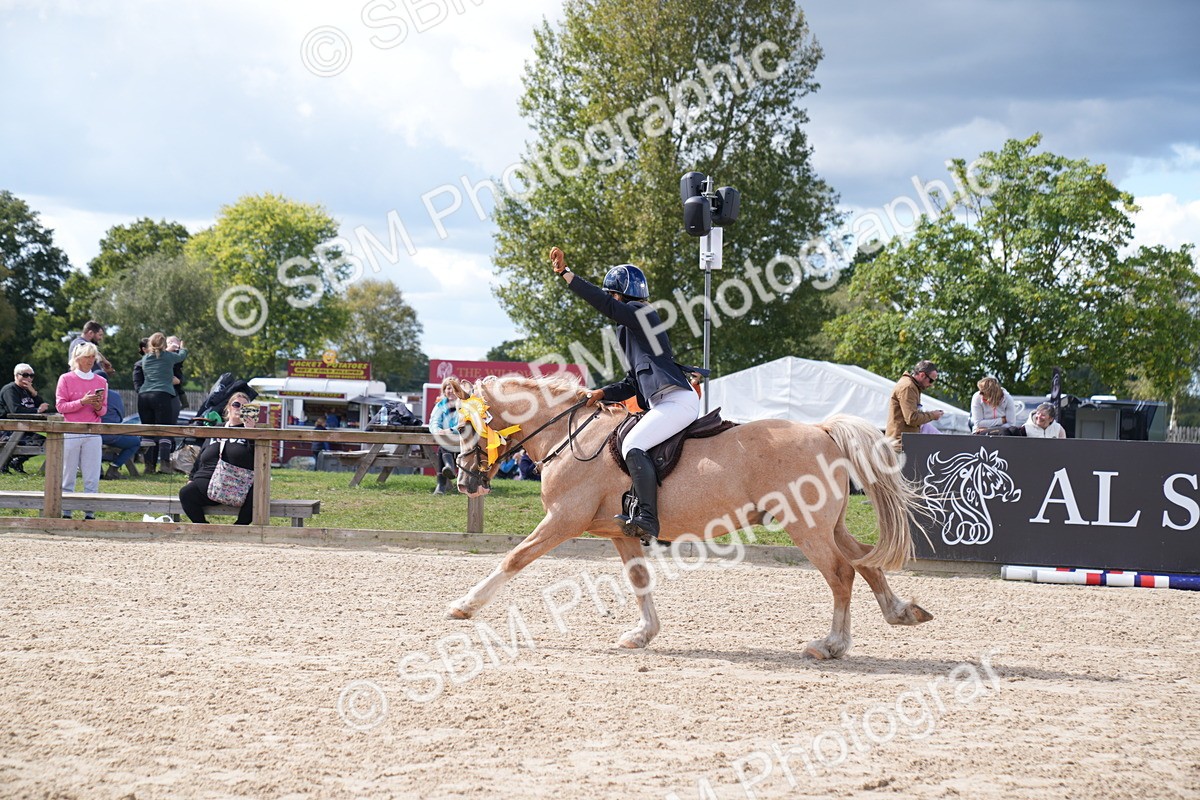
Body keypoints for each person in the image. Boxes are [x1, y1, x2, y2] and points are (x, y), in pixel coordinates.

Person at [551, 245, 700, 545]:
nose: (611, 303)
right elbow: (633, 382)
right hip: (666, 401)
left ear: (619, 295)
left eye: (612, 296)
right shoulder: (633, 328)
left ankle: (648, 518)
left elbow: (606, 306)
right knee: (631, 442)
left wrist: (567, 275)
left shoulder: (641, 312)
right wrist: (602, 392)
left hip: (676, 401)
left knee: (633, 444)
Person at [178, 392, 258, 524]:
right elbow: (200, 457)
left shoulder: (253, 432)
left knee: (257, 494)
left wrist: (251, 432)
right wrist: (191, 478)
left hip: (239, 484)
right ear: (228, 408)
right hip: (207, 481)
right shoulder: (216, 429)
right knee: (186, 493)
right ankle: (203, 528)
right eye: (236, 404)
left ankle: (238, 530)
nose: (239, 408)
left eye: (245, 406)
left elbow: (258, 458)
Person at [56, 343, 108, 519]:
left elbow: (103, 411)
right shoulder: (65, 379)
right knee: (67, 474)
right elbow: (61, 406)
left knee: (92, 475)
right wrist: (82, 402)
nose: (90, 360)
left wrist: (97, 405)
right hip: (70, 430)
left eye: (93, 357)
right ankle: (66, 512)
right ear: (77, 358)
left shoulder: (102, 381)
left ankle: (90, 512)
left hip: (93, 431)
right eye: (87, 356)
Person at [137, 332, 188, 473]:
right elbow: (181, 356)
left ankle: (149, 466)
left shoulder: (145, 359)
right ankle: (164, 465)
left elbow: (158, 355)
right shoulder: (169, 357)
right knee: (164, 430)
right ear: (164, 344)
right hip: (162, 394)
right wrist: (182, 347)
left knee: (148, 432)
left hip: (144, 396)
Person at [0, 363, 51, 474]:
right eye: (25, 375)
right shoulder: (10, 390)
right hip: (6, 430)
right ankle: (4, 463)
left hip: (22, 429)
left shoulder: (27, 390)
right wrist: (37, 411)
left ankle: (16, 461)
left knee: (48, 441)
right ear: (16, 376)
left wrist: (34, 393)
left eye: (31, 376)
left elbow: (43, 406)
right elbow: (16, 411)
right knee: (41, 441)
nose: (28, 378)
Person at [886, 359, 944, 448]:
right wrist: (932, 415)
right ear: (922, 375)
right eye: (931, 381)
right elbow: (911, 418)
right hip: (899, 445)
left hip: (902, 444)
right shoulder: (908, 387)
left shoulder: (912, 386)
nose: (931, 385)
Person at [95, 370, 142, 479]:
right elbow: (121, 416)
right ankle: (114, 468)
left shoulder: (87, 395)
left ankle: (99, 469)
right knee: (135, 442)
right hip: (111, 435)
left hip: (91, 434)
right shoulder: (114, 396)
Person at [427, 377, 461, 495]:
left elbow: (466, 423)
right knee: (443, 444)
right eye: (448, 388)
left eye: (453, 388)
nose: (450, 391)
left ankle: (441, 485)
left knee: (443, 447)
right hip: (446, 440)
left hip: (463, 439)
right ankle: (448, 467)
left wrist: (450, 430)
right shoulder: (440, 405)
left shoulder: (464, 404)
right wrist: (438, 431)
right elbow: (434, 421)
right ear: (444, 390)